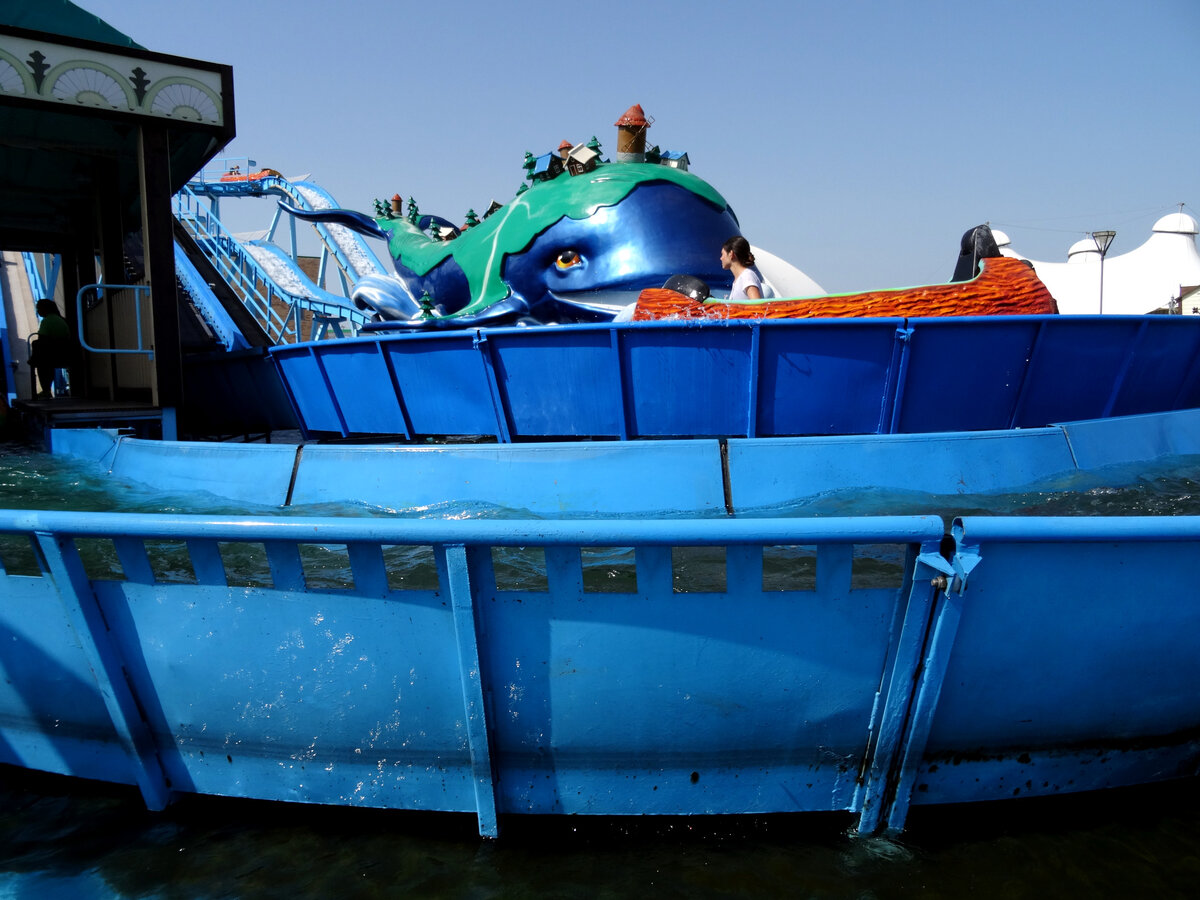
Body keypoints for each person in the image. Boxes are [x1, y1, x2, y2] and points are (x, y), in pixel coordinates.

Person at [29, 299, 72, 398]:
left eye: (38, 309)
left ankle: (46, 390)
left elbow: (42, 340)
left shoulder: (46, 321)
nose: (38, 311)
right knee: (47, 361)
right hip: (65, 355)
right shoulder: (62, 320)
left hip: (51, 356)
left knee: (38, 352)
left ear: (45, 309)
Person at [720, 236, 763, 300]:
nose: (721, 258)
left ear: (731, 254)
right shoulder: (738, 281)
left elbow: (757, 307)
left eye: (722, 254)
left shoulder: (747, 276)